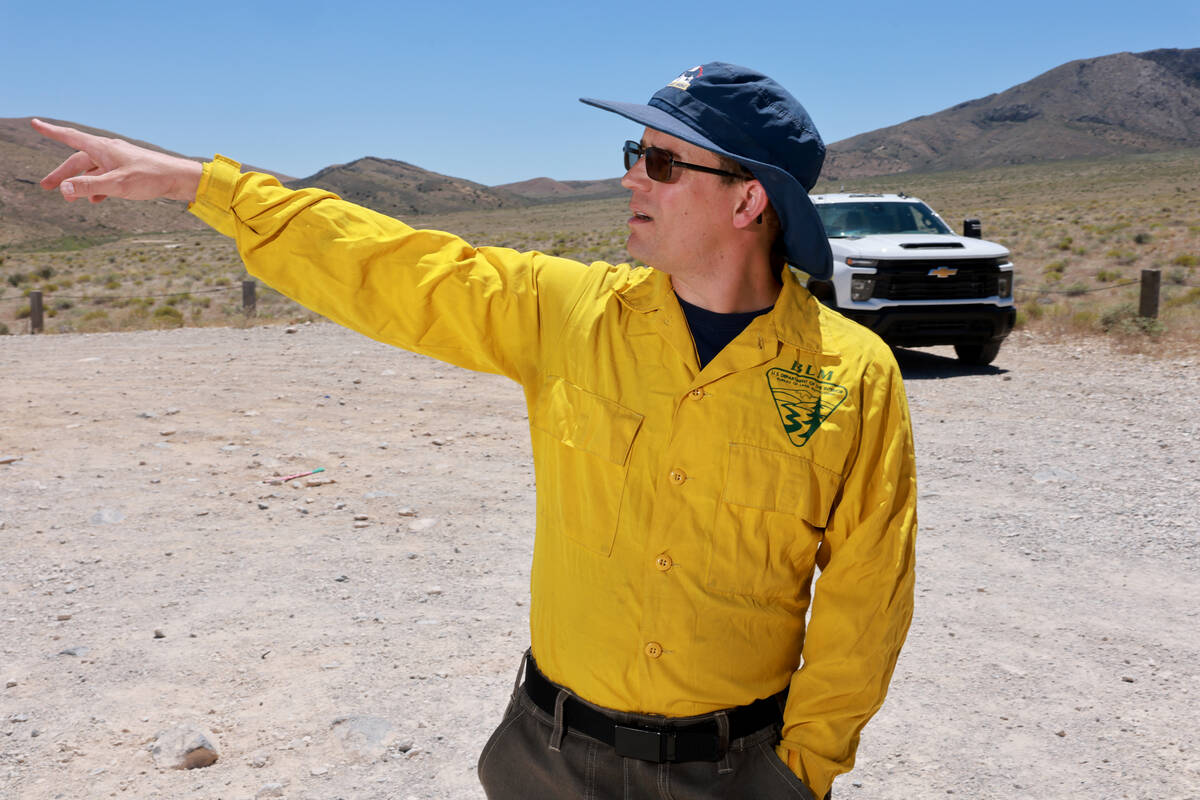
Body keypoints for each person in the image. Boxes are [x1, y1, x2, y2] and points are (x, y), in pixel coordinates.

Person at [34, 61, 916, 800]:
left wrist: (801, 770)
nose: (630, 177)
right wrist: (199, 183)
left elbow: (866, 601)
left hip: (735, 775)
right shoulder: (567, 313)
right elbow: (393, 266)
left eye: (661, 160)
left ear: (747, 200)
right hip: (549, 759)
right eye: (632, 152)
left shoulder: (852, 374)